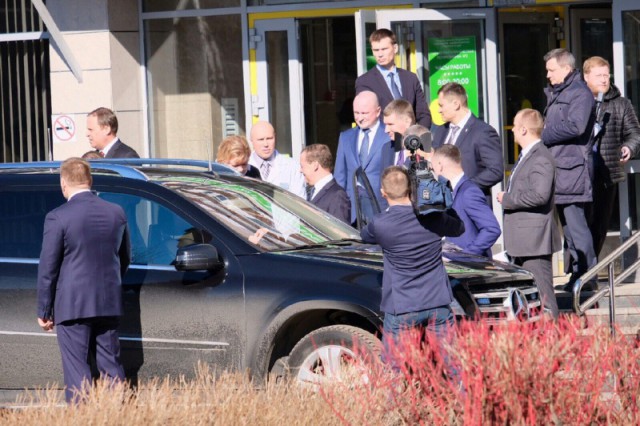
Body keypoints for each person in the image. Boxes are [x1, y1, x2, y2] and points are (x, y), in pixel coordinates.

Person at [36, 158, 131, 403]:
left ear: (63, 183)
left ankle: (83, 418)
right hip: (108, 301)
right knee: (112, 366)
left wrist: (44, 309)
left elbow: (48, 266)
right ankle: (120, 415)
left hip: (72, 304)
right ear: (90, 181)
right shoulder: (116, 212)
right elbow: (124, 258)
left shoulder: (58, 217)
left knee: (77, 371)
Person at [360, 166, 464, 361]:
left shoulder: (381, 224)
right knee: (451, 363)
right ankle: (459, 392)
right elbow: (459, 227)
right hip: (437, 302)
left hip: (402, 305)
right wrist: (444, 202)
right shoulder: (433, 218)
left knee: (394, 367)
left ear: (383, 192)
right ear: (411, 189)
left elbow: (365, 236)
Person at [497, 109, 561, 318]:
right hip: (525, 242)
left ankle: (556, 341)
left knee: (544, 297)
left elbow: (540, 195)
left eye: (515, 126)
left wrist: (508, 199)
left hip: (535, 242)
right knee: (533, 299)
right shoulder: (528, 156)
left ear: (524, 129)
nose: (513, 130)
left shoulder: (540, 157)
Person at [541, 48, 596, 286]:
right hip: (561, 170)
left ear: (566, 68)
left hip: (573, 170)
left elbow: (576, 126)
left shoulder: (579, 93)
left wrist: (543, 133)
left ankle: (588, 279)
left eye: (551, 70)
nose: (548, 75)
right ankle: (577, 274)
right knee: (569, 230)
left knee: (577, 227)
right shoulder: (558, 92)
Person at [583, 56, 640, 257]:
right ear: (586, 76)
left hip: (605, 175)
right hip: (578, 174)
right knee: (578, 224)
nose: (604, 80)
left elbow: (635, 133)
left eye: (607, 75)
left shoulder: (621, 104)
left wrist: (629, 148)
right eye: (599, 75)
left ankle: (587, 272)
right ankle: (576, 269)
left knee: (598, 224)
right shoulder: (577, 102)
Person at [431, 83, 504, 204]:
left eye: (441, 105)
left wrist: (463, 186)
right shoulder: (441, 131)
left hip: (470, 204)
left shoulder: (482, 131)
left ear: (456, 104)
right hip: (443, 209)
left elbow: (495, 171)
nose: (439, 110)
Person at [334, 91, 393, 224]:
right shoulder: (345, 137)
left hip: (381, 206)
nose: (360, 118)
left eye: (364, 113)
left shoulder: (389, 136)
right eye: (356, 113)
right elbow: (340, 176)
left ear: (378, 112)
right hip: (352, 210)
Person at [432, 144, 500, 258]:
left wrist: (466, 255)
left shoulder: (469, 191)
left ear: (440, 166)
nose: (433, 173)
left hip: (469, 269)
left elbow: (492, 229)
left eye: (432, 168)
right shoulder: (449, 190)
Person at [355, 28, 432, 129]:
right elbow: (366, 117)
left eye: (384, 49)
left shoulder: (410, 78)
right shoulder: (365, 82)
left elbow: (423, 114)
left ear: (395, 48)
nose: (380, 54)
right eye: (376, 50)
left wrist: (416, 138)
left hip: (411, 140)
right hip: (383, 141)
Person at [248, 121, 306, 198]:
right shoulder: (244, 166)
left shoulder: (292, 166)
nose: (266, 144)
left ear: (275, 137)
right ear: (251, 140)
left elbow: (300, 200)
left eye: (269, 138)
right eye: (261, 140)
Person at [300, 144, 351, 224]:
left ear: (315, 166)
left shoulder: (337, 195)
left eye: (302, 166)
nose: (300, 170)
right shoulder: (312, 190)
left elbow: (339, 232)